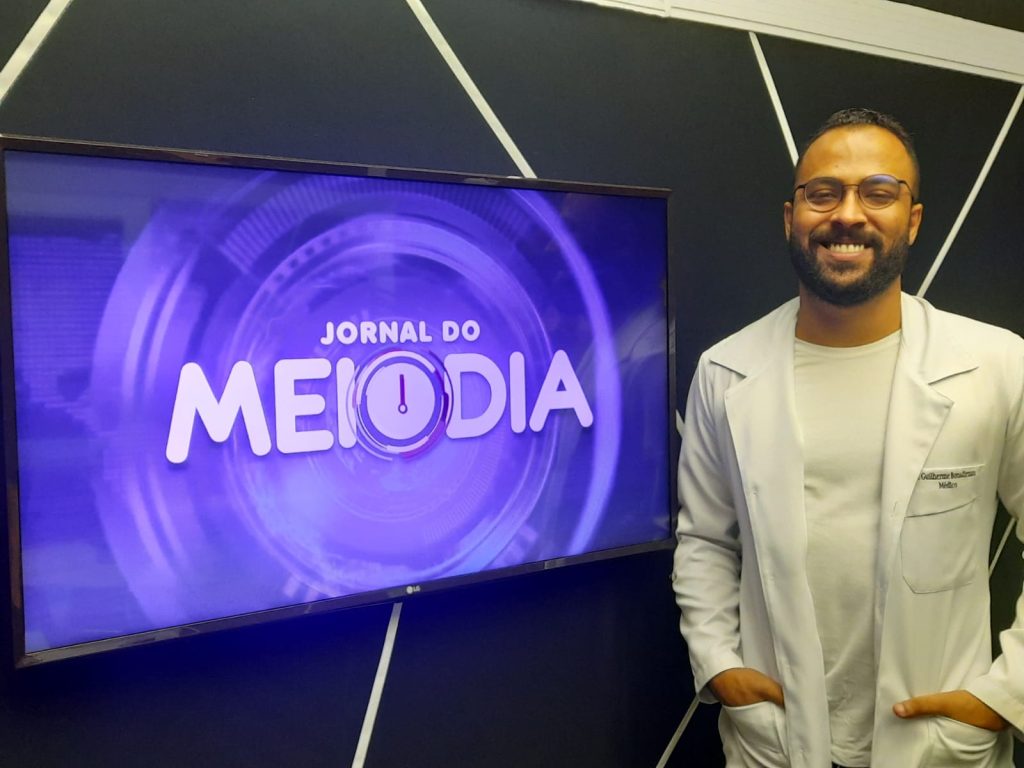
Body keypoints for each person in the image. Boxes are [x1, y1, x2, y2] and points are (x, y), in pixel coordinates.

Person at [672, 107, 1024, 767]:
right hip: (776, 739)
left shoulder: (998, 366)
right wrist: (719, 663)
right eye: (824, 193)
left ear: (912, 220)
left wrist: (1007, 693)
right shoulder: (726, 371)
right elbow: (705, 540)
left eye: (879, 193)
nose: (848, 214)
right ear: (791, 216)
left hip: (939, 742)